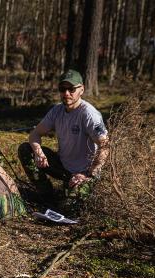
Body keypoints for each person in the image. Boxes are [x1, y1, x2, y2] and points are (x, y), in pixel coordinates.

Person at [18, 69, 109, 204]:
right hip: (63, 166)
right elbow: (35, 134)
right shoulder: (57, 111)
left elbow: (105, 146)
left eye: (71, 89)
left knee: (69, 209)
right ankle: (46, 194)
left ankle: (71, 193)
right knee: (26, 149)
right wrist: (39, 153)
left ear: (81, 90)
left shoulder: (89, 115)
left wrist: (88, 174)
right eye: (62, 89)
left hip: (84, 173)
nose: (66, 93)